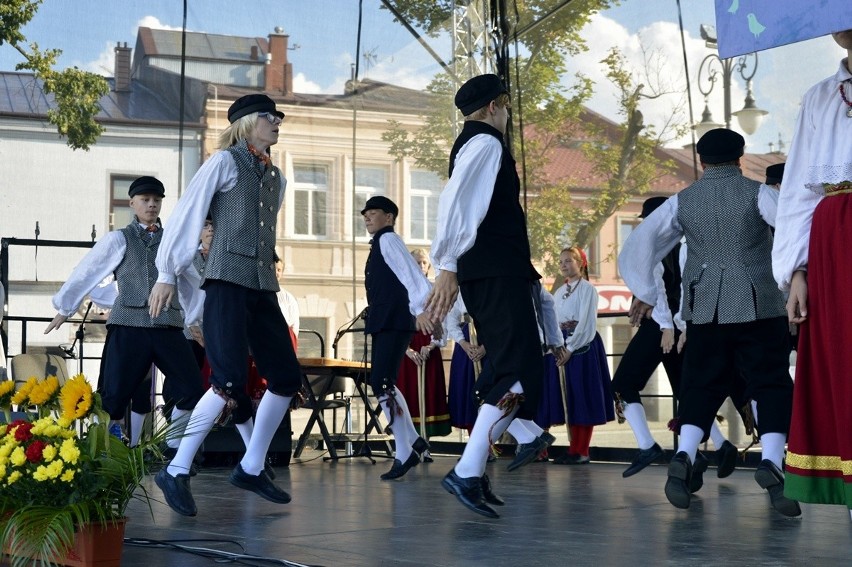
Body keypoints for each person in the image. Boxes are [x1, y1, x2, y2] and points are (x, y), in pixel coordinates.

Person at [619, 128, 799, 517]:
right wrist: (796, 280)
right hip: (759, 304)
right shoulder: (759, 193)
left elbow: (642, 246)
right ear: (741, 157)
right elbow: (791, 231)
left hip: (704, 309)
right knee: (769, 382)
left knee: (699, 383)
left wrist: (646, 293)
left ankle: (684, 455)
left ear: (701, 162)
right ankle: (771, 462)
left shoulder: (681, 202)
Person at [149, 94, 299, 517]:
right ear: (248, 122)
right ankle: (177, 469)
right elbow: (188, 214)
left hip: (261, 285)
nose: (277, 123)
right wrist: (166, 272)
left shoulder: (277, 179)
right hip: (226, 284)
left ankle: (252, 465)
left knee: (286, 377)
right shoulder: (224, 162)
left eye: (278, 117)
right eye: (270, 117)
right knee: (228, 381)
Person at [425, 74, 567, 518]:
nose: (507, 113)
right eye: (505, 106)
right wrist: (448, 265)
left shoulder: (477, 143)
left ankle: (477, 466)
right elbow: (458, 205)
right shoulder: (485, 144)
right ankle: (469, 469)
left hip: (496, 271)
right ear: (494, 107)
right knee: (518, 368)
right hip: (492, 271)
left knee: (513, 368)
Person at [45, 176, 205, 449]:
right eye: (145, 200)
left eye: (156, 200)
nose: (151, 205)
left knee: (192, 389)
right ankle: (101, 452)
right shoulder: (119, 239)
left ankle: (175, 451)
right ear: (132, 203)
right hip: (129, 326)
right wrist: (65, 306)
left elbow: (192, 282)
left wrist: (195, 319)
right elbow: (88, 271)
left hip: (167, 325)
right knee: (113, 396)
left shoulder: (173, 241)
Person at [772, 30, 852, 518]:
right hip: (834, 243)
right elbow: (799, 191)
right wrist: (796, 271)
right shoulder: (821, 96)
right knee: (842, 363)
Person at [613, 197, 738, 479]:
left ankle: (647, 445)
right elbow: (686, 288)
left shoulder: (654, 244)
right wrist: (680, 326)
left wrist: (668, 326)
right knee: (685, 389)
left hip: (660, 324)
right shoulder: (685, 243)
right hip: (680, 325)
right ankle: (714, 446)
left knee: (622, 384)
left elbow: (658, 287)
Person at [361, 196, 432, 480]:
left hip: (394, 319)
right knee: (384, 382)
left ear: (389, 217)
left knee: (381, 382)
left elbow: (410, 275)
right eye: (364, 214)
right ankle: (408, 447)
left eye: (373, 213)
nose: (366, 217)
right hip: (388, 319)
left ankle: (410, 443)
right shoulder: (382, 241)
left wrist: (421, 310)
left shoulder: (388, 240)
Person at [547, 246, 615, 465]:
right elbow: (554, 321)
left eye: (568, 260)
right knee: (570, 396)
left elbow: (587, 322)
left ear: (580, 263)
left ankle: (581, 450)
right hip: (563, 345)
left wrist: (570, 347)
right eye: (561, 262)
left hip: (582, 344)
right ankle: (572, 448)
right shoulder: (558, 292)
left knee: (583, 394)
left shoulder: (587, 289)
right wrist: (556, 346)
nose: (564, 265)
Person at [395, 249, 451, 460]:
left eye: (424, 263)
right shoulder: (401, 291)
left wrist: (432, 345)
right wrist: (406, 350)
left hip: (428, 350)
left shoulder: (434, 290)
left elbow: (441, 323)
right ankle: (407, 447)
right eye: (416, 262)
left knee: (427, 397)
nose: (420, 267)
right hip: (407, 351)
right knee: (408, 398)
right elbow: (397, 323)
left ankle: (425, 446)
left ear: (428, 267)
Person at [274, 253, 300, 351]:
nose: (276, 273)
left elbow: (294, 328)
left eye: (279, 270)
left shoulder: (288, 298)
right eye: (274, 269)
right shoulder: (256, 294)